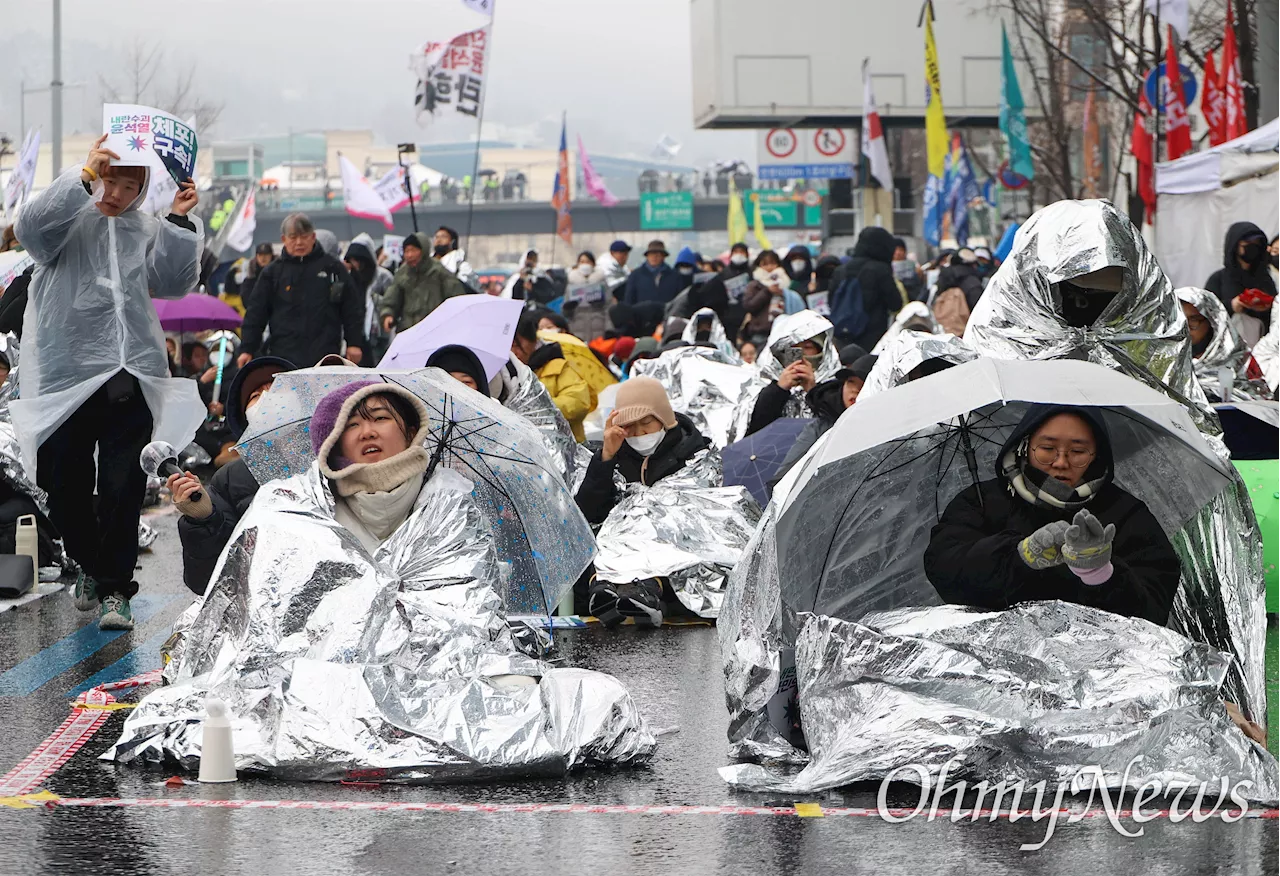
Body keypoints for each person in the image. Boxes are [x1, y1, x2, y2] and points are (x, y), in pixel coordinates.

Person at [16, 134, 201, 629]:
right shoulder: (66, 219)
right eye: (110, 180)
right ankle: (91, 570)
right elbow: (30, 232)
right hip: (67, 374)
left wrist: (179, 221)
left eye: (130, 184)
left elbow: (175, 281)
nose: (117, 193)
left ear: (142, 190)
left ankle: (115, 588)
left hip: (129, 374)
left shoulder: (144, 229)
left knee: (123, 482)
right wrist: (80, 179)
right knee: (64, 485)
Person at [924, 406, 1181, 626]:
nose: (1061, 462)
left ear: (1097, 454)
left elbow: (1152, 610)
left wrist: (1100, 572)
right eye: (1047, 448)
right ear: (1026, 445)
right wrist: (1019, 555)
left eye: (1078, 452)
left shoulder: (1125, 512)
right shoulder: (981, 501)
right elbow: (945, 570)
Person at [575, 376, 710, 625]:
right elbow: (586, 513)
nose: (638, 434)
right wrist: (605, 457)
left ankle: (647, 592)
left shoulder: (694, 456)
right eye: (630, 427)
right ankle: (605, 591)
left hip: (671, 549)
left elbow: (702, 516)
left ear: (663, 419)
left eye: (645, 424)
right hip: (615, 546)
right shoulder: (615, 453)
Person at [168, 355, 297, 595]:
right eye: (255, 397)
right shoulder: (229, 479)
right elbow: (207, 581)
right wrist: (203, 518)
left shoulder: (336, 463)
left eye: (277, 389)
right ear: (246, 417)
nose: (268, 399)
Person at [238, 213, 366, 369]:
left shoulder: (333, 268)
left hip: (326, 355)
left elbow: (351, 309)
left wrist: (354, 343)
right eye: (293, 237)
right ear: (284, 239)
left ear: (313, 237)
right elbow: (256, 313)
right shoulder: (272, 273)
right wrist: (247, 348)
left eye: (304, 237)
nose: (299, 242)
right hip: (283, 355)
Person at [767, 353, 877, 494]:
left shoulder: (891, 431)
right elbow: (783, 480)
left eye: (864, 383)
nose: (855, 389)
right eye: (850, 381)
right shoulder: (819, 429)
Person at [511, 312, 592, 441]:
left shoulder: (558, 366)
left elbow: (578, 402)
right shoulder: (509, 373)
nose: (514, 352)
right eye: (509, 346)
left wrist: (536, 409)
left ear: (532, 340)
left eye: (516, 345)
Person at [826, 226, 904, 352]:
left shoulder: (840, 270)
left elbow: (831, 301)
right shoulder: (881, 270)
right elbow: (896, 304)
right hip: (872, 337)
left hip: (841, 334)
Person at [378, 233, 468, 334]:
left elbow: (456, 299)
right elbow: (391, 298)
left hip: (435, 330)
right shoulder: (402, 274)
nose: (409, 255)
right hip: (408, 331)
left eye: (413, 250)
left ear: (423, 251)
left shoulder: (439, 272)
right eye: (406, 251)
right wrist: (388, 315)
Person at [1205, 222, 1276, 347]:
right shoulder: (1218, 279)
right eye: (1248, 245)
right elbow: (1206, 312)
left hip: (1261, 347)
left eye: (1256, 245)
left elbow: (1275, 315)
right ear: (1235, 246)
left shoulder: (1265, 279)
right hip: (1225, 346)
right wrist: (1232, 306)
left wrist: (1265, 308)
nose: (1252, 248)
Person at [745, 334, 832, 435]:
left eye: (807, 347)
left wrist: (813, 390)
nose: (801, 352)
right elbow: (756, 428)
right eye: (793, 347)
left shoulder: (832, 382)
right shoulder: (764, 381)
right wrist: (779, 389)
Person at [344, 234, 394, 366]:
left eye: (358, 260)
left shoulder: (383, 276)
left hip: (378, 334)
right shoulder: (348, 278)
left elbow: (392, 300)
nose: (356, 264)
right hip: (356, 333)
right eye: (352, 260)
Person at [740, 251, 806, 346]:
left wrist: (784, 294)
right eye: (765, 264)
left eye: (772, 263)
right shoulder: (754, 285)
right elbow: (749, 306)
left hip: (783, 332)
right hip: (761, 333)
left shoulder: (786, 283)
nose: (769, 267)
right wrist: (767, 291)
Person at [691, 241, 752, 341]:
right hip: (727, 319)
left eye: (742, 252)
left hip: (747, 319)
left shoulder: (752, 273)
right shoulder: (723, 274)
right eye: (736, 252)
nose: (739, 255)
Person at [622, 241, 685, 324]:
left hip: (666, 320)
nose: (654, 257)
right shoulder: (635, 275)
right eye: (651, 254)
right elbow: (629, 299)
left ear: (663, 257)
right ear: (647, 256)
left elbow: (679, 300)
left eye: (658, 254)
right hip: (641, 321)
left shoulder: (674, 276)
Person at [431, 225, 478, 292]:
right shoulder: (426, 263)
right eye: (437, 237)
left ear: (452, 242)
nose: (439, 240)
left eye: (443, 237)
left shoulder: (461, 266)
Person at [891, 238, 925, 302]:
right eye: (895, 250)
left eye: (900, 250)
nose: (898, 253)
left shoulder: (914, 267)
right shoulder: (886, 268)